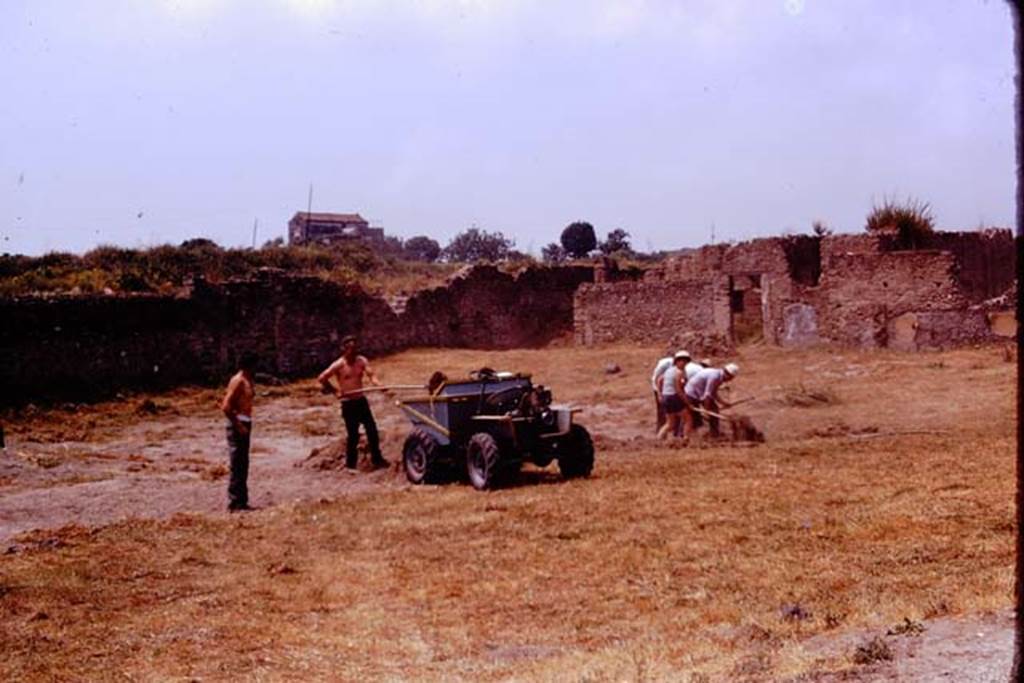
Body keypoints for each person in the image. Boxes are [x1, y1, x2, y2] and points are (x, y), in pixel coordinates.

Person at [318, 335, 388, 470]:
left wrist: (380, 386)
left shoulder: (361, 361)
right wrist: (336, 391)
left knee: (372, 430)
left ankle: (377, 459)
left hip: (361, 401)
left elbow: (372, 376)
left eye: (355, 348)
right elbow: (322, 378)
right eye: (349, 348)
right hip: (348, 403)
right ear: (343, 349)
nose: (353, 351)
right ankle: (351, 465)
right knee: (353, 435)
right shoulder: (339, 364)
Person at [221, 351, 257, 511]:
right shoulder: (238, 381)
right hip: (238, 424)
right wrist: (238, 425)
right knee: (237, 463)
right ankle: (234, 502)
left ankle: (242, 500)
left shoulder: (248, 380)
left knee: (243, 463)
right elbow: (226, 406)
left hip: (246, 422)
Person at [684, 363, 739, 438]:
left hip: (700, 393)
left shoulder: (719, 376)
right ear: (728, 374)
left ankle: (714, 435)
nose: (730, 380)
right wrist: (707, 410)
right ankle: (686, 436)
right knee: (692, 417)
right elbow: (708, 394)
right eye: (731, 378)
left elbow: (713, 392)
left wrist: (723, 403)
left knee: (714, 410)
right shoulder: (715, 377)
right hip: (691, 394)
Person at [656, 352, 690, 440]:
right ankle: (685, 439)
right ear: (677, 361)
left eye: (685, 361)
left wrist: (660, 394)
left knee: (670, 424)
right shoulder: (679, 372)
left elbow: (660, 380)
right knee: (688, 419)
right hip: (673, 397)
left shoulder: (669, 370)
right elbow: (678, 389)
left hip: (666, 397)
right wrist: (687, 402)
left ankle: (658, 439)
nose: (684, 363)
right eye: (682, 361)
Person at [650, 349, 675, 434]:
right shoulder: (666, 364)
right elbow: (657, 378)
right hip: (658, 387)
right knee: (662, 410)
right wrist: (659, 394)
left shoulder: (677, 366)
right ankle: (660, 430)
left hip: (668, 387)